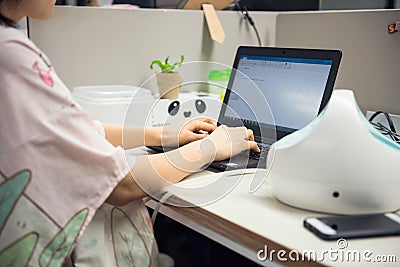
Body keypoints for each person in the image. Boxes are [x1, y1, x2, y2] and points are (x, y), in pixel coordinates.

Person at [0, 1, 259, 266]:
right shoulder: (10, 54)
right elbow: (122, 183)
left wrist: (163, 135)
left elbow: (74, 132)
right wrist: (212, 147)